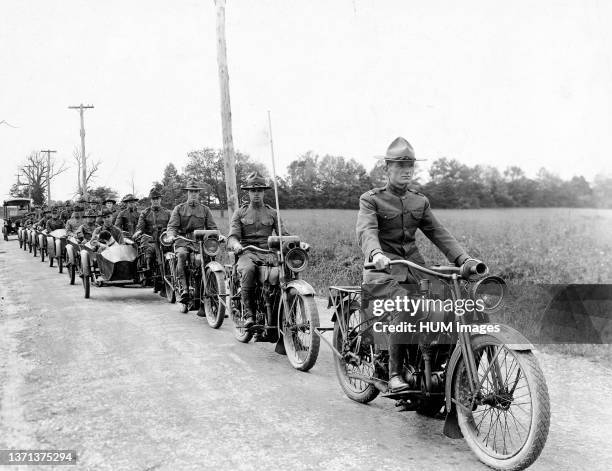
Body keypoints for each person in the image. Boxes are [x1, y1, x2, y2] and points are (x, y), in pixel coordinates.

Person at [356, 137, 481, 392]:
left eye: (410, 165)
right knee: (404, 305)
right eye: (401, 165)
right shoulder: (371, 200)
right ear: (386, 168)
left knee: (454, 305)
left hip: (414, 269)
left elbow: (439, 233)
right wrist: (376, 253)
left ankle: (442, 369)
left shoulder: (419, 201)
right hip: (382, 270)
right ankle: (393, 373)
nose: (407, 170)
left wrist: (464, 260)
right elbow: (366, 231)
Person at [227, 171, 289, 329]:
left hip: (269, 254)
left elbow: (284, 235)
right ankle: (249, 314)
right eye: (253, 190)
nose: (256, 194)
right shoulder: (240, 212)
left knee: (285, 274)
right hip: (247, 253)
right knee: (248, 270)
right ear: (248, 192)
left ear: (264, 192)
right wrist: (236, 245)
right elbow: (232, 237)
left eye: (259, 190)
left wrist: (296, 243)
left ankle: (286, 317)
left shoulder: (272, 212)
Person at [166, 179, 218, 303]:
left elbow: (213, 227)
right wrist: (171, 236)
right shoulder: (179, 209)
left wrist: (218, 236)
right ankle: (184, 289)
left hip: (199, 242)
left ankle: (213, 295)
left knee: (207, 259)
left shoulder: (205, 210)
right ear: (187, 193)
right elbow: (172, 227)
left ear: (199, 193)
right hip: (183, 241)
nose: (193, 194)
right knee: (182, 255)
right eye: (191, 192)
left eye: (196, 192)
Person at [133, 189, 171, 284]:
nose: (155, 201)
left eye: (157, 198)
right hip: (150, 238)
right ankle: (149, 269)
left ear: (160, 199)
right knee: (149, 250)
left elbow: (172, 225)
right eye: (153, 199)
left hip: (164, 239)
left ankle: (173, 271)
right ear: (151, 200)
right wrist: (138, 232)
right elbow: (140, 227)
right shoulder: (145, 213)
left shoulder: (167, 212)